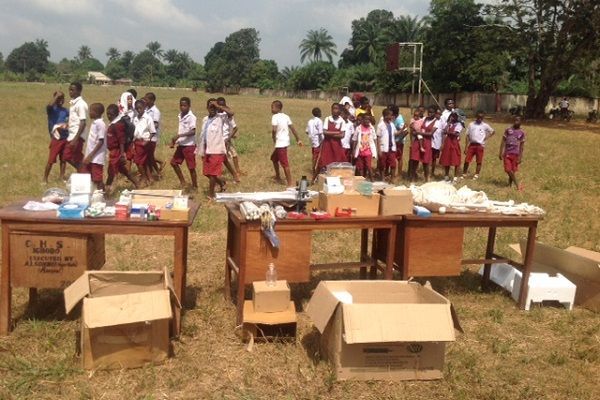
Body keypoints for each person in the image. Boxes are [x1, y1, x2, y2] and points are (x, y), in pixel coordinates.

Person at [198, 98, 234, 199]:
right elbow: (203, 135)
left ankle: (211, 194)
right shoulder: (205, 119)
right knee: (206, 173)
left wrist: (219, 107)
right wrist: (201, 149)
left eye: (214, 106)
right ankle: (222, 183)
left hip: (217, 149)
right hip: (206, 149)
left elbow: (231, 113)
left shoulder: (221, 117)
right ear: (207, 108)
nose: (212, 108)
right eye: (211, 106)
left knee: (213, 173)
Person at [105, 104, 138, 193]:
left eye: (111, 114)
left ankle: (106, 191)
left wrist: (123, 154)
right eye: (107, 114)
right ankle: (137, 184)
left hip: (116, 152)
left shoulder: (117, 125)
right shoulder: (113, 123)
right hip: (113, 151)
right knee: (124, 171)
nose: (108, 116)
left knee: (111, 171)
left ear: (116, 114)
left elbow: (121, 140)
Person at [270, 100, 302, 186]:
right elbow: (292, 128)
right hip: (284, 141)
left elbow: (274, 129)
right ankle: (277, 176)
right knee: (274, 159)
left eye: (272, 107)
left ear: (278, 108)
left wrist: (273, 137)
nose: (271, 109)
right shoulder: (286, 116)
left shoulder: (275, 117)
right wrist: (298, 139)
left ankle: (289, 183)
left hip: (280, 143)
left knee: (284, 164)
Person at [170, 97, 198, 192]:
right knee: (173, 163)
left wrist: (179, 135)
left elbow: (193, 131)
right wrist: (175, 141)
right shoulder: (180, 115)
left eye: (185, 105)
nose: (182, 107)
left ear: (189, 106)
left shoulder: (191, 117)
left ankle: (195, 186)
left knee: (191, 167)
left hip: (189, 146)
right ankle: (183, 181)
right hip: (181, 145)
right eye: (181, 105)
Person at [79, 103, 106, 190]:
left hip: (96, 158)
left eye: (91, 111)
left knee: (97, 179)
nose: (89, 113)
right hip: (90, 156)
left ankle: (103, 195)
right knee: (87, 175)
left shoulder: (100, 124)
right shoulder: (95, 123)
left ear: (96, 113)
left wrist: (91, 155)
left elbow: (101, 141)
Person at [43, 91, 69, 183]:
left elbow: (69, 121)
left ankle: (61, 177)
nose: (61, 100)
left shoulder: (66, 111)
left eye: (62, 98)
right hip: (56, 138)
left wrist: (66, 125)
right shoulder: (52, 109)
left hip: (65, 137)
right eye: (59, 98)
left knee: (63, 159)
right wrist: (56, 96)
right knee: (51, 159)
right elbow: (49, 105)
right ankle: (45, 179)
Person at [463, 110, 495, 179]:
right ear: (476, 117)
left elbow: (492, 131)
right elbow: (467, 135)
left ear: (483, 118)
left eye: (481, 118)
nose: (479, 119)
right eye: (478, 117)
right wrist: (466, 147)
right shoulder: (471, 124)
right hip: (471, 145)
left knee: (479, 161)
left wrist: (486, 137)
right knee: (467, 160)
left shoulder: (485, 125)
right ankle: (464, 173)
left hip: (480, 146)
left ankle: (476, 175)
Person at [63, 82, 88, 170]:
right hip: (72, 134)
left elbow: (83, 122)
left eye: (72, 90)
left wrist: (76, 138)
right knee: (76, 157)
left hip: (77, 136)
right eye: (69, 90)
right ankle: (84, 171)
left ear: (79, 91)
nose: (70, 92)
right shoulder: (73, 103)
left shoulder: (81, 104)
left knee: (67, 155)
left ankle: (84, 171)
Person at [217, 97, 241, 183]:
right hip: (217, 140)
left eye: (222, 105)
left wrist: (229, 138)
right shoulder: (215, 115)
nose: (220, 107)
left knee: (232, 155)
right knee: (223, 158)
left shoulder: (228, 115)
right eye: (219, 105)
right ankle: (231, 173)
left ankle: (237, 172)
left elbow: (235, 128)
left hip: (226, 139)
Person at [132, 99, 156, 186]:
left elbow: (153, 132)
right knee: (144, 162)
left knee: (138, 162)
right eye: (137, 108)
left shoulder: (148, 118)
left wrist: (147, 141)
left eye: (140, 108)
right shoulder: (135, 119)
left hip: (144, 142)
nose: (139, 110)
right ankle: (150, 178)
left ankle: (144, 177)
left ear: (144, 108)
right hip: (137, 141)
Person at [408, 107, 435, 182]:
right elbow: (412, 129)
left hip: (426, 141)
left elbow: (430, 133)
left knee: (426, 161)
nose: (430, 114)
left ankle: (427, 178)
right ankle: (412, 178)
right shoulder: (421, 119)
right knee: (415, 159)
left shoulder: (434, 121)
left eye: (432, 112)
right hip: (417, 140)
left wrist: (418, 132)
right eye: (429, 112)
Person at [318, 103, 347, 173]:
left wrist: (329, 133)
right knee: (325, 161)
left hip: (337, 145)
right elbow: (324, 132)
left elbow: (342, 135)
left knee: (337, 163)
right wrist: (336, 133)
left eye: (336, 108)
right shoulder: (327, 119)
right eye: (333, 108)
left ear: (339, 110)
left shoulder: (342, 121)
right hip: (327, 145)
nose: (334, 110)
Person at [499, 116, 525, 190]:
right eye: (515, 120)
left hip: (515, 154)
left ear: (521, 122)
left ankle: (510, 184)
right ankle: (517, 185)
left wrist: (520, 157)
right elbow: (503, 141)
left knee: (513, 170)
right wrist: (500, 152)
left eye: (518, 120)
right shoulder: (508, 130)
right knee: (508, 169)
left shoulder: (522, 132)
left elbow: (522, 146)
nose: (516, 122)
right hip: (507, 153)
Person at [144, 92, 165, 177]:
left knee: (149, 157)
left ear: (152, 100)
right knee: (148, 157)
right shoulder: (146, 109)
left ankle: (157, 172)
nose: (145, 101)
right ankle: (152, 173)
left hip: (152, 137)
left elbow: (156, 124)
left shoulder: (155, 111)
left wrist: (148, 131)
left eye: (147, 100)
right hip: (145, 136)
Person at [439, 112, 464, 182]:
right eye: (452, 116)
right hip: (448, 142)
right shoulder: (449, 124)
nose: (453, 118)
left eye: (455, 117)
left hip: (454, 142)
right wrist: (448, 123)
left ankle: (455, 176)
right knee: (447, 159)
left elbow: (456, 134)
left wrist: (447, 132)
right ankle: (446, 175)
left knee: (456, 159)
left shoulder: (459, 124)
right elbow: (444, 131)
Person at [352, 113, 377, 180]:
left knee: (368, 166)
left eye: (368, 119)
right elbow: (354, 140)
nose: (367, 121)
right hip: (360, 151)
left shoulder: (372, 128)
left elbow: (374, 139)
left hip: (368, 151)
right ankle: (362, 180)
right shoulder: (358, 128)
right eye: (365, 119)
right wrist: (353, 150)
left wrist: (375, 150)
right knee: (361, 168)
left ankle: (372, 180)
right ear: (362, 120)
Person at [376, 108, 397, 182]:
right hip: (383, 148)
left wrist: (402, 130)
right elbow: (378, 138)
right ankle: (382, 178)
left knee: (393, 164)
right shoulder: (380, 125)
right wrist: (379, 150)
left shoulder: (392, 124)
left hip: (391, 148)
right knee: (382, 164)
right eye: (390, 115)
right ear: (385, 116)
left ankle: (392, 178)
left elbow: (395, 133)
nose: (391, 117)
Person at [388, 104, 408, 177]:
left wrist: (399, 140)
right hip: (394, 141)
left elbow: (406, 131)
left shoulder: (399, 120)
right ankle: (391, 173)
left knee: (399, 158)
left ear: (394, 113)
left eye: (390, 112)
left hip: (399, 142)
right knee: (392, 157)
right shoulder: (394, 118)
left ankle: (399, 174)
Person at [306, 107, 323, 182]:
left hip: (312, 142)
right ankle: (315, 173)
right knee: (317, 158)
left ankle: (314, 170)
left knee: (314, 157)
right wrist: (322, 141)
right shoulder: (319, 121)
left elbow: (306, 131)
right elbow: (320, 132)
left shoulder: (310, 121)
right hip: (318, 142)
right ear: (319, 113)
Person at [430, 108, 445, 178]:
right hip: (430, 142)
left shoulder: (442, 122)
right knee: (428, 157)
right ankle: (427, 172)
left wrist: (442, 143)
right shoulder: (431, 120)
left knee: (434, 158)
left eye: (440, 114)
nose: (438, 115)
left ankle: (432, 172)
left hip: (437, 143)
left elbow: (443, 133)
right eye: (437, 113)